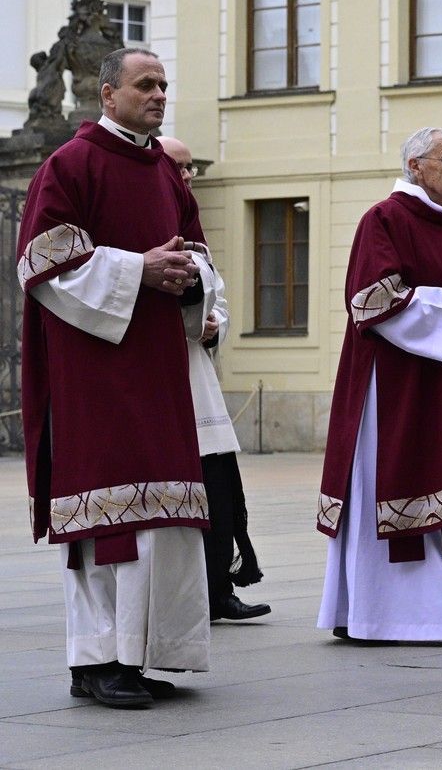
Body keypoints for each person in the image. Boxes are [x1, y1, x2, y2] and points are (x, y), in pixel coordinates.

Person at [18, 47, 209, 708]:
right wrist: (138, 270)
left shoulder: (167, 173)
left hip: (159, 366)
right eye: (145, 84)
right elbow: (42, 265)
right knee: (109, 517)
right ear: (107, 94)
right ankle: (95, 660)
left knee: (161, 517)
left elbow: (196, 255)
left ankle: (141, 653)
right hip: (96, 371)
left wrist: (193, 284)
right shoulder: (69, 165)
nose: (158, 94)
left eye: (164, 84)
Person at [316, 127, 442, 643]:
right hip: (393, 384)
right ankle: (379, 613)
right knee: (399, 478)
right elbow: (368, 300)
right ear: (416, 166)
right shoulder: (384, 219)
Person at [162, 137, 270, 621]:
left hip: (200, 379)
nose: (186, 178)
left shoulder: (194, 233)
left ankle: (220, 588)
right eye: (177, 168)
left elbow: (219, 300)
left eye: (190, 170)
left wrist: (214, 325)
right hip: (164, 382)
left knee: (219, 491)